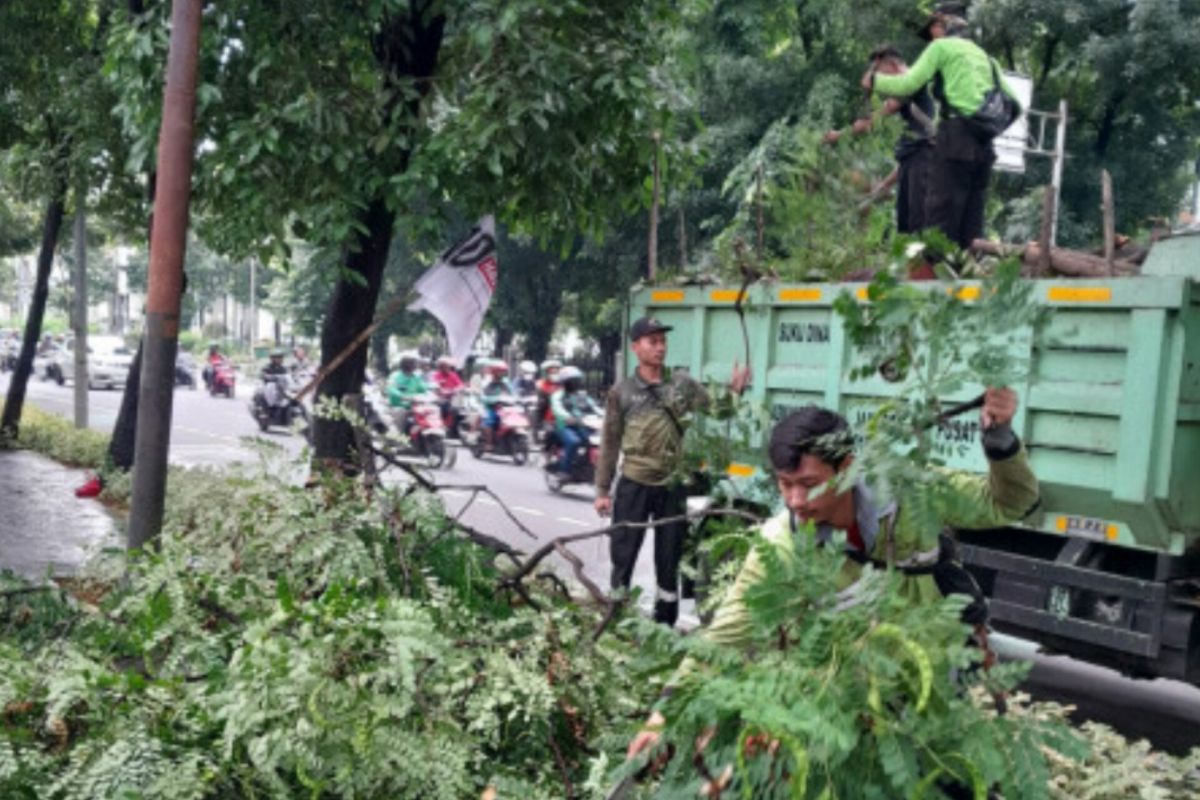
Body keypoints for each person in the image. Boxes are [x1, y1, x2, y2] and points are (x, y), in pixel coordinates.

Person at [625, 388, 1040, 757]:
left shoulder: (911, 493)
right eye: (784, 484)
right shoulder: (782, 544)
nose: (795, 500)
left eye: (808, 483)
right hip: (856, 705)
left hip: (939, 686)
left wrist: (1000, 441)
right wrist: (664, 713)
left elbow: (1011, 503)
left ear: (846, 466)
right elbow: (725, 638)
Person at [595, 317, 751, 626]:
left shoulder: (681, 383)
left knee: (669, 560)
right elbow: (610, 442)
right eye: (652, 342)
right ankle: (616, 620)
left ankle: (664, 626)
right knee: (623, 558)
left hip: (672, 486)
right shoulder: (622, 392)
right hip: (634, 484)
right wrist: (602, 490)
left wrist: (735, 391)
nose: (660, 347)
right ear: (636, 347)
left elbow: (716, 410)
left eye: (662, 341)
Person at [864, 2, 1020, 251]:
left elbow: (908, 84)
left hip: (954, 138)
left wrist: (874, 80)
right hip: (984, 145)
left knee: (939, 217)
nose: (931, 38)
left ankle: (933, 281)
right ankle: (969, 273)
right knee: (972, 219)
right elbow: (1015, 103)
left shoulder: (941, 47)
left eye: (932, 30)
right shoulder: (987, 58)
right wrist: (987, 128)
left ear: (942, 25)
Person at [827, 45, 935, 237]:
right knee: (905, 227)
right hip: (914, 159)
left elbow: (870, 116)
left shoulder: (912, 82)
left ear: (892, 65)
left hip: (926, 160)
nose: (881, 81)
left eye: (880, 72)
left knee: (918, 228)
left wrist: (838, 136)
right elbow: (907, 157)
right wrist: (884, 185)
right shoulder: (904, 97)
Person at [549, 365, 600, 477]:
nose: (575, 383)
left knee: (595, 441)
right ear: (565, 382)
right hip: (564, 426)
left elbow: (594, 407)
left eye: (577, 380)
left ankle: (585, 465)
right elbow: (557, 408)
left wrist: (606, 415)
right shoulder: (558, 395)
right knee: (573, 442)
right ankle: (565, 471)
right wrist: (567, 416)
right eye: (572, 381)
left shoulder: (582, 395)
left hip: (582, 425)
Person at [386, 354, 428, 432]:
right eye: (412, 363)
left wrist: (434, 389)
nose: (415, 365)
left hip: (415, 406)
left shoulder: (416, 377)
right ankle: (398, 438)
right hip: (399, 405)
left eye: (415, 363)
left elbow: (423, 388)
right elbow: (391, 388)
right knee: (400, 413)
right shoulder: (395, 376)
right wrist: (402, 396)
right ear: (405, 364)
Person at [480, 360, 514, 448]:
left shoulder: (506, 382)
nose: (502, 373)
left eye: (503, 371)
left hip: (506, 408)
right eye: (500, 371)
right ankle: (489, 443)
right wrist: (494, 399)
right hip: (491, 408)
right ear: (494, 371)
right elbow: (483, 396)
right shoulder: (487, 382)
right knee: (489, 421)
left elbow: (513, 393)